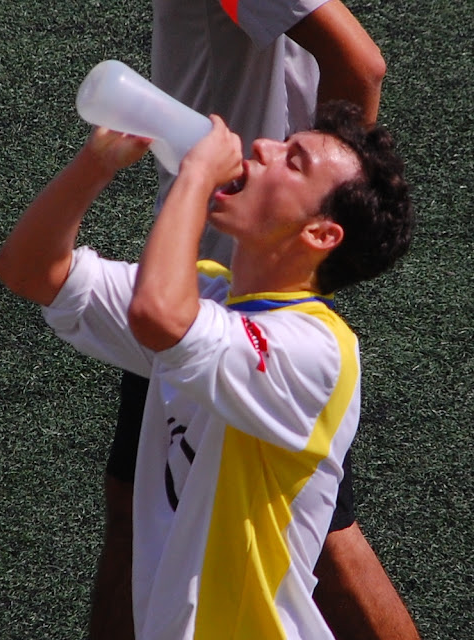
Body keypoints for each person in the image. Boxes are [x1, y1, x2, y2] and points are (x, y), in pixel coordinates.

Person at [0, 100, 415, 639]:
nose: (262, 146)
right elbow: (29, 269)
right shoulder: (208, 295)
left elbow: (158, 316)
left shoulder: (317, 350)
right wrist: (96, 163)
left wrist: (194, 176)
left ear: (320, 234)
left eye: (293, 160)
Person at [93, 1, 421, 638]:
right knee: (136, 503)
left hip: (229, 281)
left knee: (323, 540)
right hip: (229, 267)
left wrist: (305, 216)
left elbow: (359, 67)